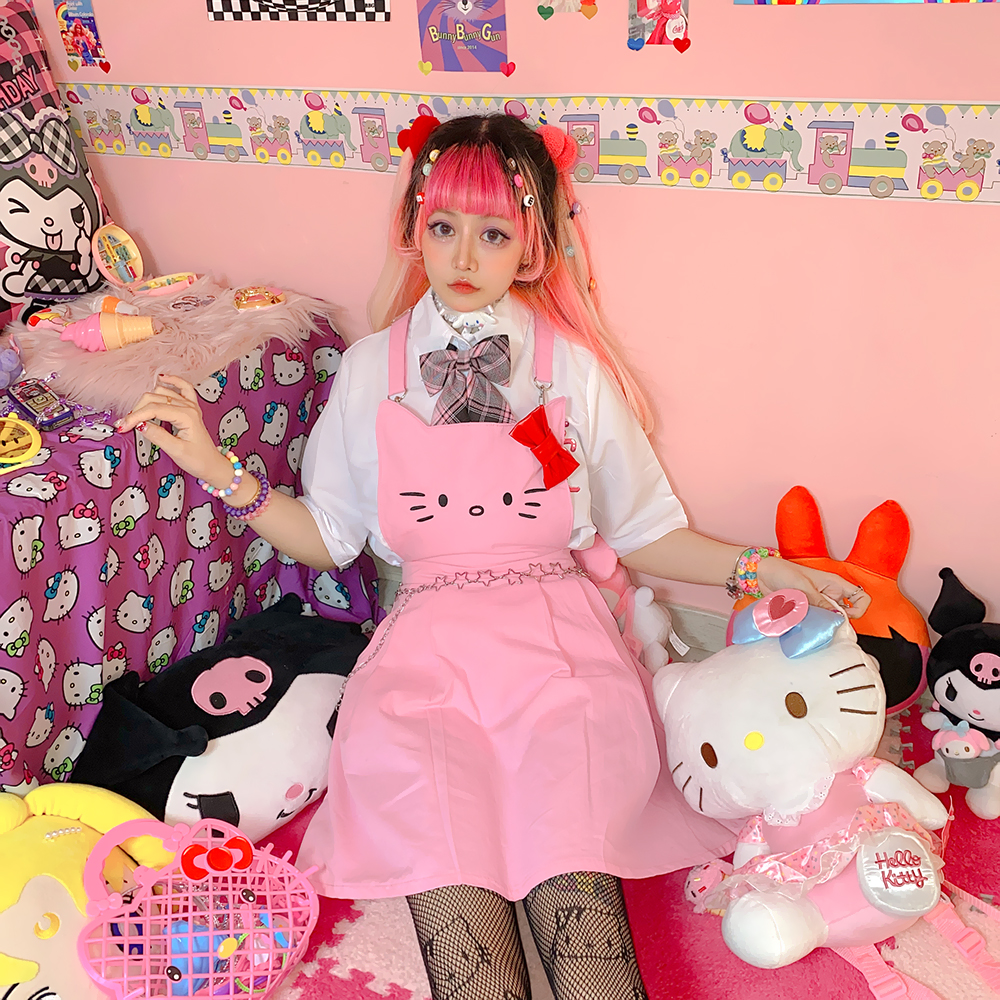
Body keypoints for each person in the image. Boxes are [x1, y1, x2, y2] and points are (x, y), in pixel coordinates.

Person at [116, 113, 869, 1000]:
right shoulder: (369, 370)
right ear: (415, 230)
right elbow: (330, 538)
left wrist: (762, 569)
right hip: (425, 674)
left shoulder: (570, 369)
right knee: (469, 948)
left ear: (533, 246)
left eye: (494, 233)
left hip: (560, 663)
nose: (464, 255)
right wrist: (217, 470)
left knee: (582, 930)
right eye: (443, 227)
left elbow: (644, 530)